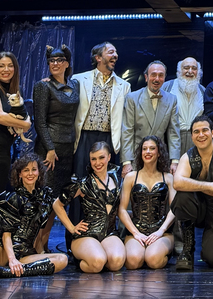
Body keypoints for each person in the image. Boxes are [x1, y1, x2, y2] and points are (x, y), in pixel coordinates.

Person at [0, 153, 68, 279]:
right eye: (26, 170)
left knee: (62, 259)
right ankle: (10, 267)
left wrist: (72, 229)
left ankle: (5, 272)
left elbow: (43, 230)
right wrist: (11, 259)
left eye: (34, 169)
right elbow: (6, 235)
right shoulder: (10, 198)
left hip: (25, 254)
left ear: (39, 172)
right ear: (19, 174)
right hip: (4, 250)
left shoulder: (45, 196)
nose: (30, 174)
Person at [171, 114, 213, 270]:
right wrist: (209, 186)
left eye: (205, 130)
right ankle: (188, 248)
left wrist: (197, 185)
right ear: (192, 136)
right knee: (182, 196)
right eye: (196, 132)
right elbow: (177, 182)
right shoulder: (187, 156)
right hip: (197, 208)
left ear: (212, 133)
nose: (201, 135)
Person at [32, 44, 80, 251]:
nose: (55, 64)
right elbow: (39, 121)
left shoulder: (75, 84)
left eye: (60, 60)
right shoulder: (43, 86)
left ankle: (44, 243)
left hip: (68, 149)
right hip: (49, 150)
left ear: (67, 64)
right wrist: (50, 148)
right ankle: (35, 245)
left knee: (57, 202)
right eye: (52, 61)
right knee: (44, 199)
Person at [0, 51, 32, 245]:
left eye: (10, 65)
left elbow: (24, 115)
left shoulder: (10, 92)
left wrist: (25, 122)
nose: (6, 69)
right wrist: (26, 125)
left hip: (3, 150)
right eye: (1, 65)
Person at [54, 141, 126, 273]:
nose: (97, 163)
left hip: (109, 233)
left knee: (116, 263)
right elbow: (57, 204)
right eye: (93, 159)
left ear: (109, 157)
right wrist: (72, 227)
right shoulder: (83, 184)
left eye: (101, 158)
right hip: (87, 234)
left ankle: (100, 255)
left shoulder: (117, 180)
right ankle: (87, 259)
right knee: (97, 263)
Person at [73, 42, 131, 177]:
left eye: (116, 53)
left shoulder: (124, 86)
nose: (115, 55)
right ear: (98, 57)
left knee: (106, 180)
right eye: (111, 52)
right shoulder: (79, 79)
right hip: (84, 137)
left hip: (109, 138)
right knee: (82, 178)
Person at [119, 135, 176, 270]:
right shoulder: (131, 177)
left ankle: (158, 252)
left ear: (159, 152)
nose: (148, 152)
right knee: (132, 262)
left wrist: (161, 231)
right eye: (144, 149)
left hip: (162, 232)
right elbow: (121, 210)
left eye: (152, 148)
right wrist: (135, 233)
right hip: (136, 231)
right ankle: (142, 250)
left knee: (153, 260)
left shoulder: (168, 178)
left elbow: (174, 209)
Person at [121, 61, 180, 175]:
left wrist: (175, 161)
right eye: (153, 74)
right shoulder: (132, 98)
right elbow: (127, 131)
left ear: (164, 78)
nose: (157, 79)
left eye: (161, 75)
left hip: (160, 157)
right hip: (137, 156)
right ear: (146, 77)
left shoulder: (172, 99)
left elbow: (174, 133)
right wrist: (127, 162)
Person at [162, 57, 206, 153]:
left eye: (194, 68)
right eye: (186, 68)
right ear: (179, 70)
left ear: (198, 72)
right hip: (172, 141)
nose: (190, 71)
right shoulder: (167, 87)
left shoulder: (203, 91)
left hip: (195, 140)